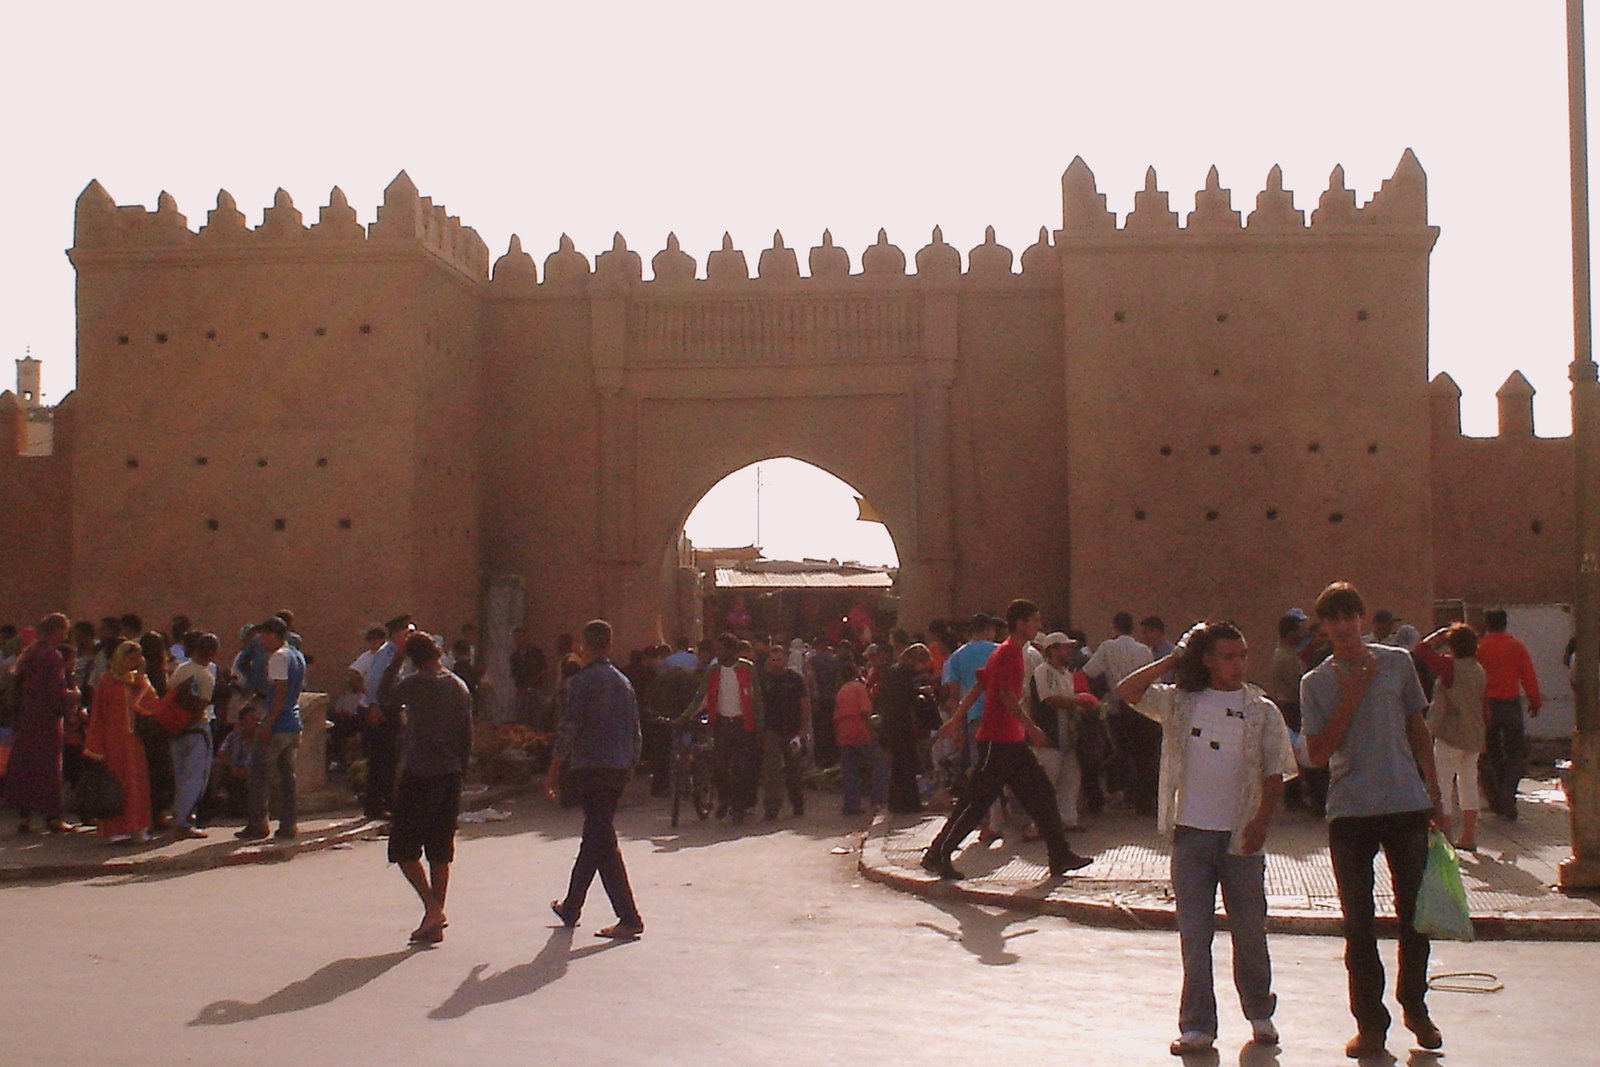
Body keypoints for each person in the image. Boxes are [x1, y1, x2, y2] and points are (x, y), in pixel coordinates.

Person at [1118, 622, 1297, 1056]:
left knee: (1249, 930)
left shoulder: (1262, 710)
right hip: (1191, 836)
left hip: (1241, 838)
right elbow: (1128, 691)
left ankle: (1260, 1011)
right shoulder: (1181, 702)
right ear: (1208, 660)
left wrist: (1261, 822)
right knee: (1195, 934)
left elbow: (1275, 770)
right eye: (1228, 656)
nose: (1238, 664)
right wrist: (1173, 658)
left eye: (1242, 655)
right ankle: (1197, 1025)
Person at [1301, 581, 1445, 1058]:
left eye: (1350, 616)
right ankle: (1370, 1023)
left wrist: (1435, 791)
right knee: (1359, 924)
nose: (1343, 626)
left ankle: (1415, 1005)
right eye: (1333, 619)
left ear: (1361, 618)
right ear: (1323, 626)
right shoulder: (1315, 682)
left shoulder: (1398, 663)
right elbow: (1317, 754)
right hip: (1351, 810)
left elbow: (1417, 727)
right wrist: (1350, 695)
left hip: (1405, 802)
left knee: (1415, 915)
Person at [921, 600, 1093, 880]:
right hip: (997, 741)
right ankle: (938, 853)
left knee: (1042, 794)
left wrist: (956, 719)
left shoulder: (1005, 651)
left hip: (1011, 741)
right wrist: (1032, 727)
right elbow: (1005, 696)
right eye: (1034, 620)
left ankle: (1060, 855)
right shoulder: (1009, 653)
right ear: (1021, 624)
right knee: (976, 802)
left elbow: (979, 686)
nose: (1038, 625)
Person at [546, 619, 644, 940]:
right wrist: (630, 766)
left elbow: (569, 728)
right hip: (617, 768)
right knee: (596, 838)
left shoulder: (583, 682)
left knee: (602, 842)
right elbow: (636, 732)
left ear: (583, 647)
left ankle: (628, 917)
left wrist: (553, 770)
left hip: (592, 767)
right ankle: (572, 906)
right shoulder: (623, 682)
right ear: (610, 645)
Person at [378, 631, 473, 944]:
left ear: (413, 658)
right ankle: (435, 919)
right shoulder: (458, 685)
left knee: (403, 847)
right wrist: (461, 771)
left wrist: (396, 657)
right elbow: (466, 735)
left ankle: (433, 909)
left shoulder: (417, 683)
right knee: (440, 848)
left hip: (421, 773)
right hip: (450, 773)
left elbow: (384, 696)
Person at [1413, 624, 1488, 851]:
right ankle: (1468, 835)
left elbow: (1420, 650)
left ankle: (1444, 834)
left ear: (1452, 646)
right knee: (1469, 784)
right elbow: (1484, 705)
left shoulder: (1449, 667)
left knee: (1443, 784)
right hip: (1474, 734)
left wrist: (1438, 635)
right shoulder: (1478, 669)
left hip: (1450, 734)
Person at [4, 614, 77, 833]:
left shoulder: (30, 653)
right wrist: (71, 701)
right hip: (47, 721)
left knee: (26, 767)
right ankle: (53, 817)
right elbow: (55, 691)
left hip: (26, 719)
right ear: (57, 630)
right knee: (49, 769)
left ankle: (25, 817)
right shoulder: (52, 656)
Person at [237, 616, 306, 842]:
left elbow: (279, 691)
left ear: (273, 635)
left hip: (278, 724)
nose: (261, 641)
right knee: (287, 777)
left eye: (264, 636)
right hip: (293, 723)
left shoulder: (278, 657)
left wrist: (268, 722)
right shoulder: (296, 655)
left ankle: (258, 823)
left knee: (258, 773)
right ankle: (289, 824)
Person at [683, 632, 763, 823]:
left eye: (720, 649)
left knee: (742, 768)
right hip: (722, 724)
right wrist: (685, 716)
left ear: (731, 650)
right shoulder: (714, 671)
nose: (717, 652)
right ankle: (725, 799)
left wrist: (759, 727)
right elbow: (701, 696)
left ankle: (739, 807)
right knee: (719, 766)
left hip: (743, 724)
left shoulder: (747, 668)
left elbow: (756, 699)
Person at [84, 640, 158, 842]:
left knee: (137, 784)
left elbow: (150, 705)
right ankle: (115, 830)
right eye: (130, 658)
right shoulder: (106, 680)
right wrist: (95, 746)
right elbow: (98, 714)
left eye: (137, 659)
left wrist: (141, 676)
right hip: (112, 742)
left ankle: (138, 827)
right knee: (116, 785)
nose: (133, 663)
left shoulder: (139, 682)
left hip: (134, 742)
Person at [1475, 609, 1542, 820]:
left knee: (1493, 752)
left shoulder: (1479, 648)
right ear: (1505, 623)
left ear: (1487, 624)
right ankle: (1508, 792)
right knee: (1515, 753)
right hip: (1510, 703)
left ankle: (1500, 796)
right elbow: (1528, 675)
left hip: (1487, 705)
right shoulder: (1516, 647)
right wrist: (1535, 701)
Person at [1032, 632, 1099, 830]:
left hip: (1068, 736)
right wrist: (1079, 701)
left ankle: (1068, 819)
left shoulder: (1067, 674)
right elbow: (1050, 700)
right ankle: (1039, 823)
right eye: (1065, 647)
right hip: (1050, 735)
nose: (1069, 651)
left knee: (1070, 779)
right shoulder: (1043, 671)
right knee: (1047, 781)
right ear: (1053, 650)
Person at [167, 632, 220, 838]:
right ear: (212, 653)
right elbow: (200, 707)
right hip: (197, 730)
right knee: (195, 778)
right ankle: (184, 821)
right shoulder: (206, 676)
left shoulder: (181, 669)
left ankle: (178, 816)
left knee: (180, 776)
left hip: (175, 729)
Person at [362, 615, 414, 821]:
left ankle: (388, 802)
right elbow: (373, 680)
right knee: (381, 760)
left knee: (391, 759)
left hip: (394, 709)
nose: (410, 636)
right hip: (383, 710)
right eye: (407, 633)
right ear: (396, 634)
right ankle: (376, 805)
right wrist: (374, 706)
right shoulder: (387, 653)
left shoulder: (401, 655)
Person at [880, 643, 933, 814]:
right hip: (900, 724)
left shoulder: (895, 671)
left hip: (894, 723)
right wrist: (920, 694)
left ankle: (898, 802)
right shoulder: (902, 673)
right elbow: (905, 697)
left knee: (900, 764)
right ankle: (909, 803)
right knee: (905, 764)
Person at [759, 645, 809, 820]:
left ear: (785, 660)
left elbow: (804, 704)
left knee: (793, 770)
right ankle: (772, 808)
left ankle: (797, 803)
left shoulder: (795, 679)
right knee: (771, 770)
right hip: (771, 730)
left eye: (779, 660)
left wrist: (802, 730)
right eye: (772, 660)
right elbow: (758, 705)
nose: (775, 664)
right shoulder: (764, 680)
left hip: (792, 731)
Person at [833, 661, 886, 815]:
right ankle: (878, 799)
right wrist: (872, 732)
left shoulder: (841, 691)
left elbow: (836, 717)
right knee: (880, 763)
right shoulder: (859, 688)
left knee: (850, 770)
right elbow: (864, 712)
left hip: (844, 733)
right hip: (860, 732)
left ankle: (851, 804)